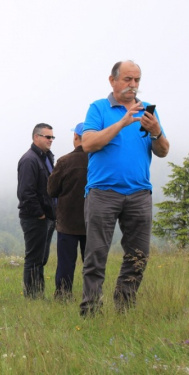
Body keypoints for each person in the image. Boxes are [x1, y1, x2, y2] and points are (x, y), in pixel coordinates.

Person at [80, 60, 169, 316]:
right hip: (103, 193)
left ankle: (125, 308)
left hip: (140, 193)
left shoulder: (148, 111)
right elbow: (88, 144)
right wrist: (122, 122)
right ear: (113, 80)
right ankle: (91, 310)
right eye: (128, 79)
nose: (133, 85)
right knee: (96, 254)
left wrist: (156, 131)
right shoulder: (98, 108)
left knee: (138, 254)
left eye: (137, 80)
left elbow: (163, 151)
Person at [47, 123, 88, 300]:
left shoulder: (64, 161)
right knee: (91, 263)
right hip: (91, 221)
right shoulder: (98, 160)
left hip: (67, 222)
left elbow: (51, 190)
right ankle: (92, 294)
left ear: (76, 137)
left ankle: (63, 295)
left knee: (66, 263)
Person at [17, 123, 56, 298]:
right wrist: (39, 213)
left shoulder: (46, 157)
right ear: (36, 137)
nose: (50, 140)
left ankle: (38, 294)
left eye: (52, 137)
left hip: (47, 217)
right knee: (34, 258)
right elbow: (25, 192)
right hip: (35, 218)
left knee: (41, 258)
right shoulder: (29, 159)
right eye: (47, 137)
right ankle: (33, 296)